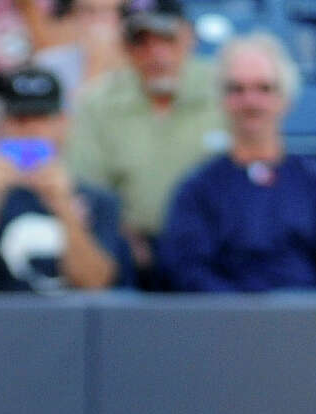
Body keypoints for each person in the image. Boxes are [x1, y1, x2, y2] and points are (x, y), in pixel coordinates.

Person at [158, 33, 316, 293]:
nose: (250, 101)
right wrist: (244, 318)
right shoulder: (197, 191)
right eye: (237, 89)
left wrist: (312, 317)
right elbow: (186, 270)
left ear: (286, 99)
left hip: (310, 325)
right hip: (223, 326)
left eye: (264, 88)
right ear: (221, 100)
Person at [65, 0, 223, 284]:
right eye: (142, 43)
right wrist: (124, 236)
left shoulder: (225, 91)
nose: (156, 54)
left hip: (212, 245)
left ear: (189, 38)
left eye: (167, 39)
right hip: (130, 246)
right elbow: (89, 187)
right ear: (126, 48)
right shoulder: (99, 102)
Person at [0, 64, 126, 293]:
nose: (30, 129)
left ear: (63, 123)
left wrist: (64, 207)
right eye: (19, 118)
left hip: (69, 324)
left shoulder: (99, 199)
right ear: (1, 123)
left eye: (41, 117)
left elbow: (95, 284)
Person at [33, 0, 125, 108]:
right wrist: (95, 64)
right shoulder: (48, 64)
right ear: (73, 14)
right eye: (88, 11)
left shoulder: (140, 61)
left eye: (109, 11)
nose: (98, 20)